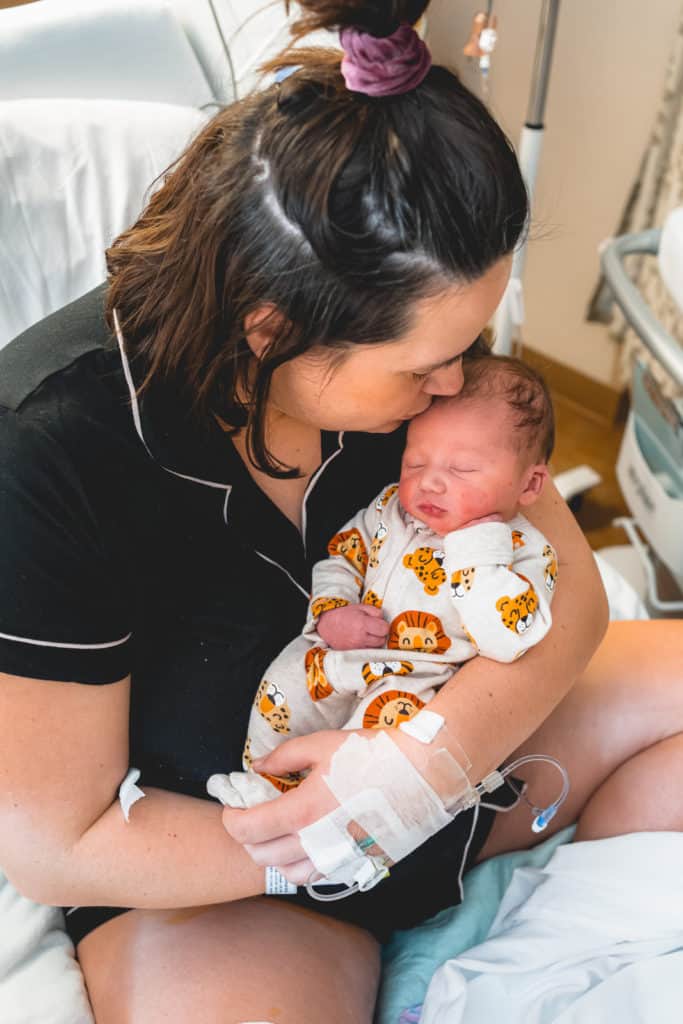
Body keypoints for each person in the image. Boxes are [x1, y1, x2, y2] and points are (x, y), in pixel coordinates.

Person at [0, 4, 681, 1022]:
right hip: (233, 868)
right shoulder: (55, 455)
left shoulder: (417, 335)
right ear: (271, 330)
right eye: (425, 365)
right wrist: (337, 828)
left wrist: (417, 767)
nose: (459, 383)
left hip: (458, 743)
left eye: (472, 340)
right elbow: (55, 840)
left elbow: (568, 589)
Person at [222, 355, 559, 810]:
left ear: (530, 485)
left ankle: (331, 816)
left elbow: (509, 639)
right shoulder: (389, 510)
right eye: (415, 463)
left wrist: (476, 551)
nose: (430, 484)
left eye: (460, 471)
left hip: (421, 681)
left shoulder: (525, 550)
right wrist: (331, 612)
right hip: (345, 655)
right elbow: (342, 558)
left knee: (371, 754)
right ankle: (266, 781)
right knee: (283, 686)